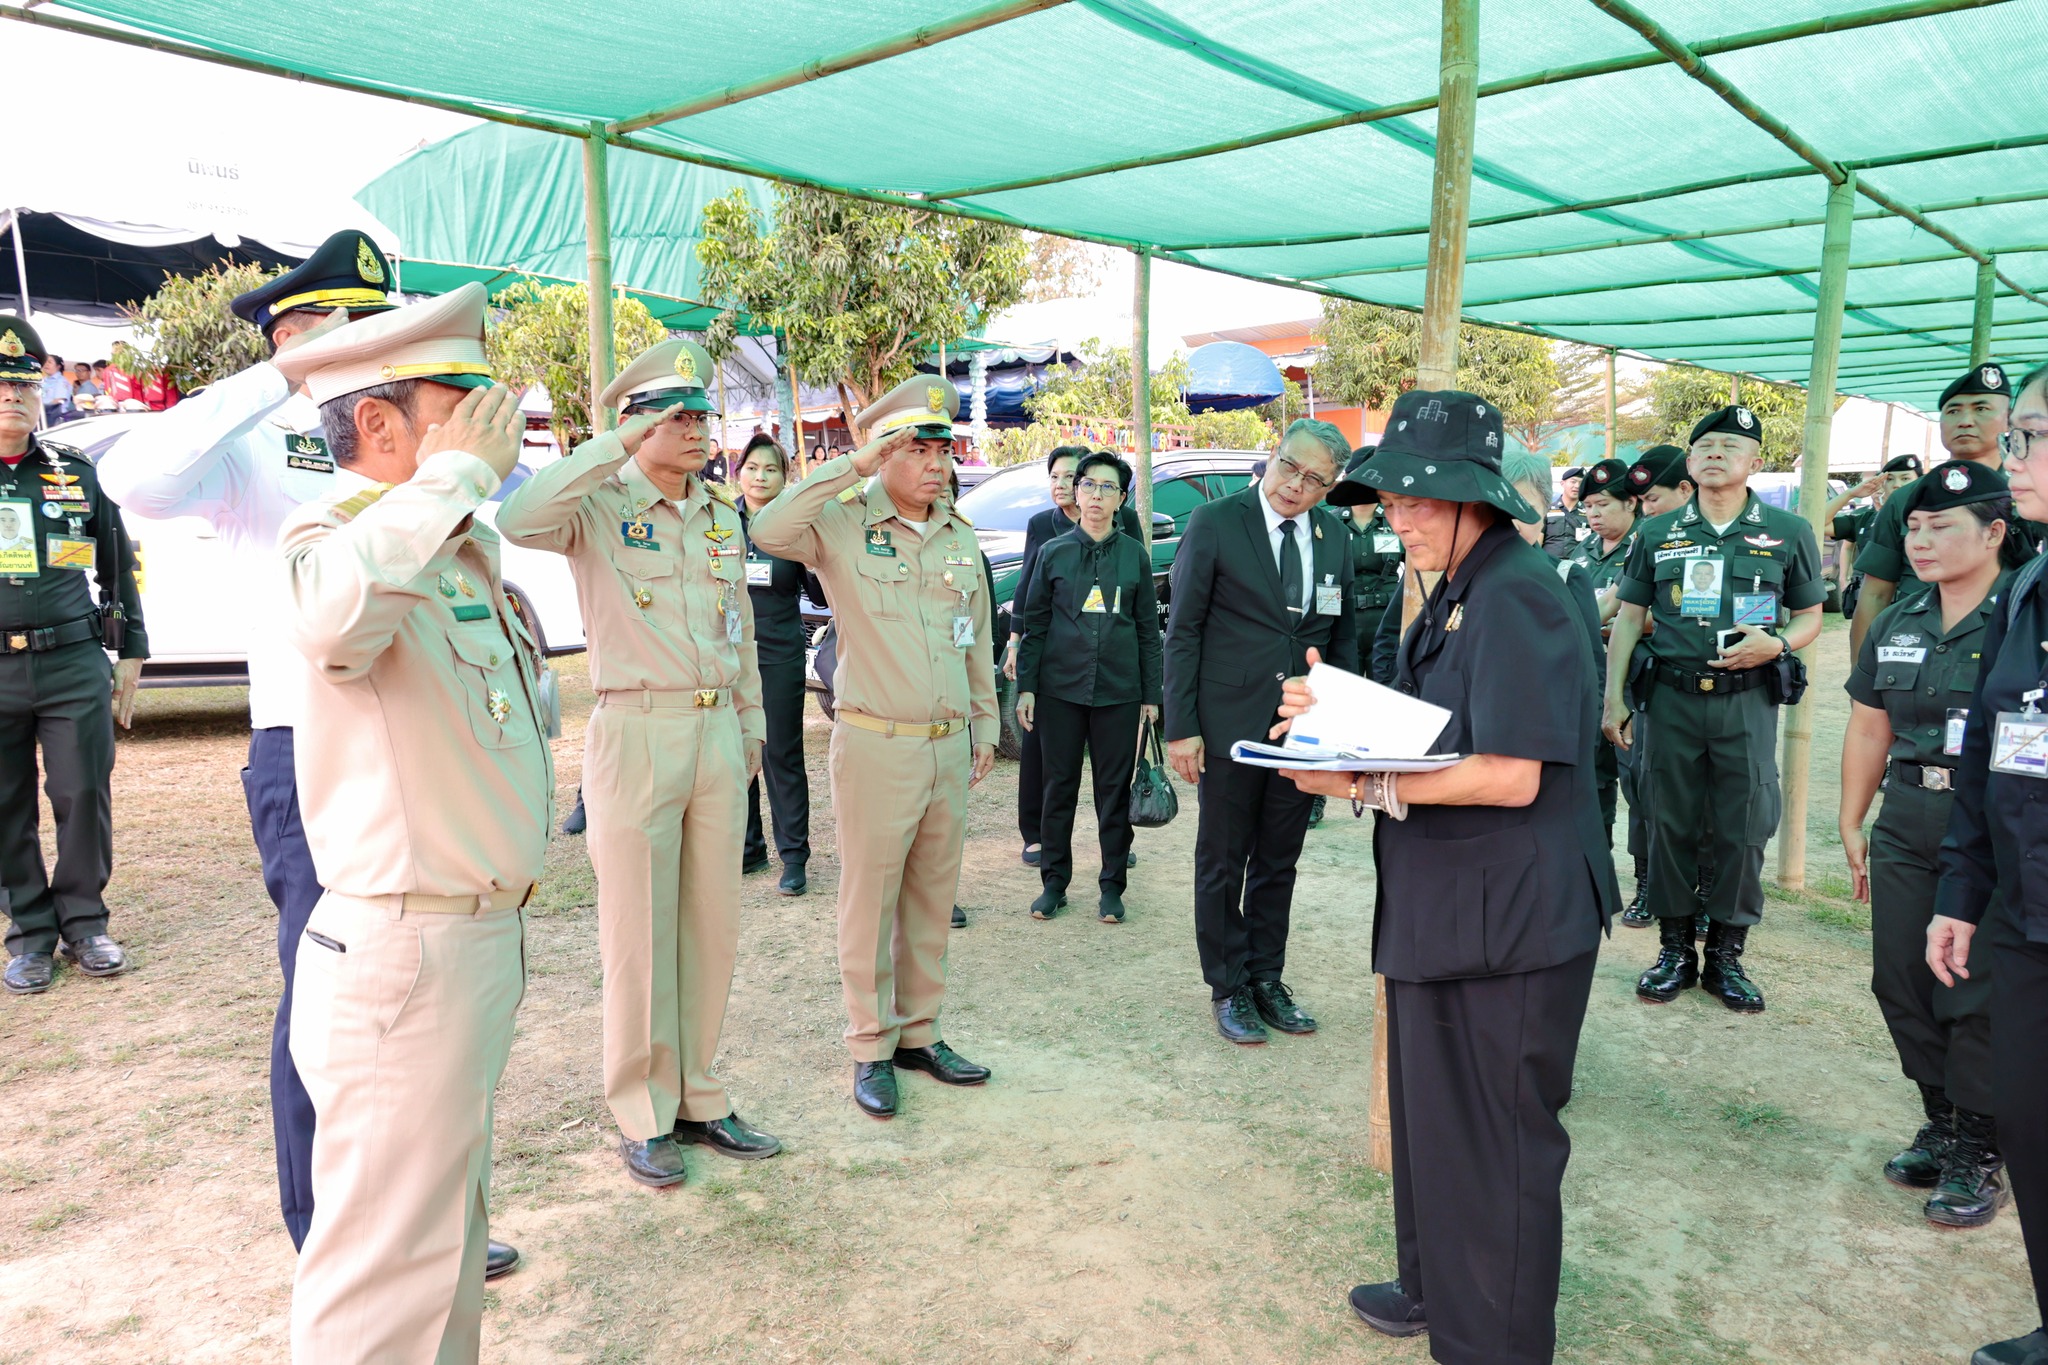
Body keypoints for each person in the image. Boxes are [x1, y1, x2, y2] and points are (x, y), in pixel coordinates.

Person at [94, 229, 513, 1263]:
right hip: (310, 748)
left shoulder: (402, 436)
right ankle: (326, 1230)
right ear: (292, 336)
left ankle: (423, 1216)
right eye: (346, 324)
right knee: (333, 993)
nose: (372, 338)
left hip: (422, 739)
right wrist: (277, 378)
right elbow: (132, 479)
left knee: (424, 995)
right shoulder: (251, 444)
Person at [1280, 388, 1615, 1364]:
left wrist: (1351, 773)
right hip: (1450, 910)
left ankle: (1493, 1343)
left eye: (1419, 501)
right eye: (1388, 501)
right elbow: (1438, 727)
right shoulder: (1457, 587)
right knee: (1435, 1127)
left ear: (1476, 499)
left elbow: (1510, 775)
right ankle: (1434, 1285)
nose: (1398, 517)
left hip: (1508, 923)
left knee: (1494, 1151)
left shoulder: (1516, 591)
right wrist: (1334, 707)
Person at [270, 283, 549, 1361]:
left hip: (472, 941)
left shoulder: (457, 547)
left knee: (444, 1251)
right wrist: (453, 478)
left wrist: (454, 486)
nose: (493, 426)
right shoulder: (331, 540)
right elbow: (334, 617)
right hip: (402, 952)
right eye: (463, 404)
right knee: (383, 1275)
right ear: (379, 426)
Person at [497, 338, 781, 1187]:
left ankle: (699, 1093)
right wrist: (609, 445)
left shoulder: (720, 512)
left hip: (715, 734)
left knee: (709, 927)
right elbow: (519, 517)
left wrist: (753, 720)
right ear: (636, 425)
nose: (698, 430)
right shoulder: (597, 504)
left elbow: (739, 626)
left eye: (703, 415)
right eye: (678, 416)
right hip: (635, 730)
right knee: (639, 935)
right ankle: (642, 1109)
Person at [749, 374, 997, 1121]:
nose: (934, 463)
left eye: (941, 448)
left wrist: (983, 720)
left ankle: (920, 1032)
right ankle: (869, 1045)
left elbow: (975, 635)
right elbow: (769, 527)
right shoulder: (844, 523)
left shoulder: (956, 531)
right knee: (869, 901)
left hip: (946, 745)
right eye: (916, 448)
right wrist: (850, 465)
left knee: (930, 897)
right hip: (875, 742)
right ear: (885, 452)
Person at [1604, 406, 1825, 1013]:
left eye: (1730, 445)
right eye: (1703, 444)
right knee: (1667, 819)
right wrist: (1614, 698)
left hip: (1746, 702)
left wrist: (1777, 643)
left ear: (1755, 461)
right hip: (1669, 699)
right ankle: (1674, 950)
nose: (1714, 453)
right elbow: (1628, 619)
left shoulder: (1789, 530)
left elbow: (1809, 618)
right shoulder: (1656, 532)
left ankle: (1726, 955)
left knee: (1744, 825)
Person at [1841, 460, 2011, 1231]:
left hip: (1994, 824)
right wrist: (1853, 816)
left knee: (1971, 987)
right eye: (1912, 525)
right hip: (1910, 814)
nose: (1922, 538)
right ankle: (1941, 1118)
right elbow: (1872, 721)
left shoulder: (2022, 619)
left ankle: (1981, 1142)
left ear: (1995, 532)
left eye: (1943, 525)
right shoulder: (1899, 619)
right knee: (1901, 976)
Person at [1164, 418, 1355, 1045]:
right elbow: (1183, 629)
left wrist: (1337, 726)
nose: (1294, 486)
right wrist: (1182, 727)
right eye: (1289, 467)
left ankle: (1267, 976)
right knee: (1222, 859)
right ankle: (1228, 985)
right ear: (1272, 457)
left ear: (1330, 487)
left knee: (1280, 859)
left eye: (1313, 479)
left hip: (1301, 728)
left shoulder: (1333, 536)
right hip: (1225, 725)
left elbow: (1339, 636)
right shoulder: (1216, 522)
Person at [1931, 364, 2048, 1365]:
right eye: (2008, 436)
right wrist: (1961, 894)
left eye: (2029, 435)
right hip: (2022, 912)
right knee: (2030, 1122)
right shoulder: (2024, 592)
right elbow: (1984, 754)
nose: (2010, 457)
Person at [0, 314, 146, 995]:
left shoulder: (75, 471)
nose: (13, 398)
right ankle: (29, 933)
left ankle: (85, 921)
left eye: (25, 386)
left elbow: (118, 566)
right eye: (1, 386)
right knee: (5, 805)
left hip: (72, 661)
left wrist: (132, 652)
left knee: (82, 791)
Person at [1015, 450, 1162, 925]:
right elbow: (1034, 624)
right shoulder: (1053, 553)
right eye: (1089, 486)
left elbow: (1147, 631)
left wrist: (1151, 696)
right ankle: (1054, 884)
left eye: (1108, 488)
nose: (1096, 496)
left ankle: (1112, 886)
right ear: (1075, 493)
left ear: (1121, 499)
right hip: (1059, 692)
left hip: (1118, 693)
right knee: (1058, 788)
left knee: (1113, 793)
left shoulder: (1135, 557)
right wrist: (1028, 688)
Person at [1852, 363, 2042, 658]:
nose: (1966, 421)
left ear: (2009, 420)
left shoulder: (2033, 493)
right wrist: (1863, 679)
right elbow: (1875, 593)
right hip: (1917, 653)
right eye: (1953, 411)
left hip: (2012, 649)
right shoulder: (1905, 500)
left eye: (1981, 409)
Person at [734, 431, 813, 897]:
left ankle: (794, 856)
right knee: (733, 751)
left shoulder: (793, 528)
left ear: (785, 479)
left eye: (771, 469)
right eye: (752, 467)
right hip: (727, 654)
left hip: (779, 654)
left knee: (780, 753)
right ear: (738, 472)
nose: (760, 476)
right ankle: (747, 848)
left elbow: (821, 592)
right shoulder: (721, 521)